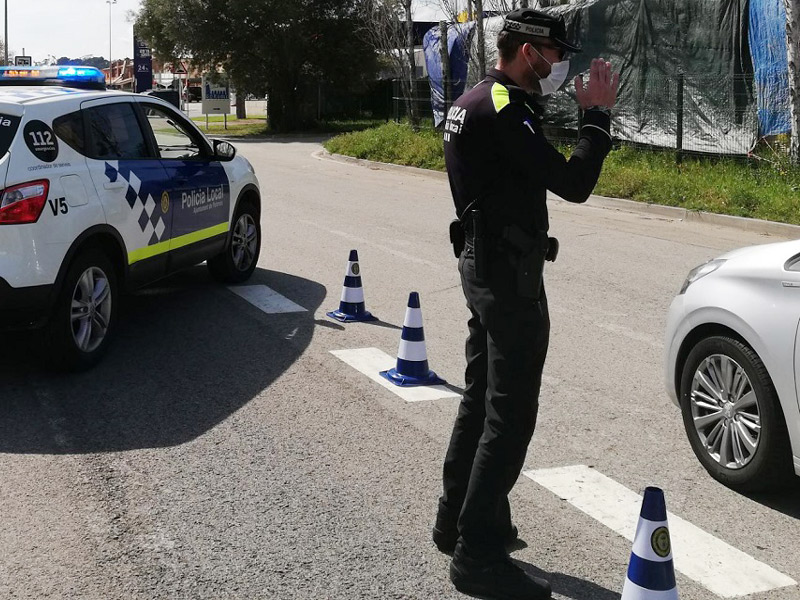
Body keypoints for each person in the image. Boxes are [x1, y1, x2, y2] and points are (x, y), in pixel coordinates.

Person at [434, 8, 619, 600]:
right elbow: (573, 183)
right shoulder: (504, 107)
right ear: (527, 52)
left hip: (485, 265)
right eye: (555, 54)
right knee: (509, 415)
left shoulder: (471, 100)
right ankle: (476, 556)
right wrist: (597, 119)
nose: (560, 64)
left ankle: (455, 519)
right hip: (507, 276)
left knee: (480, 396)